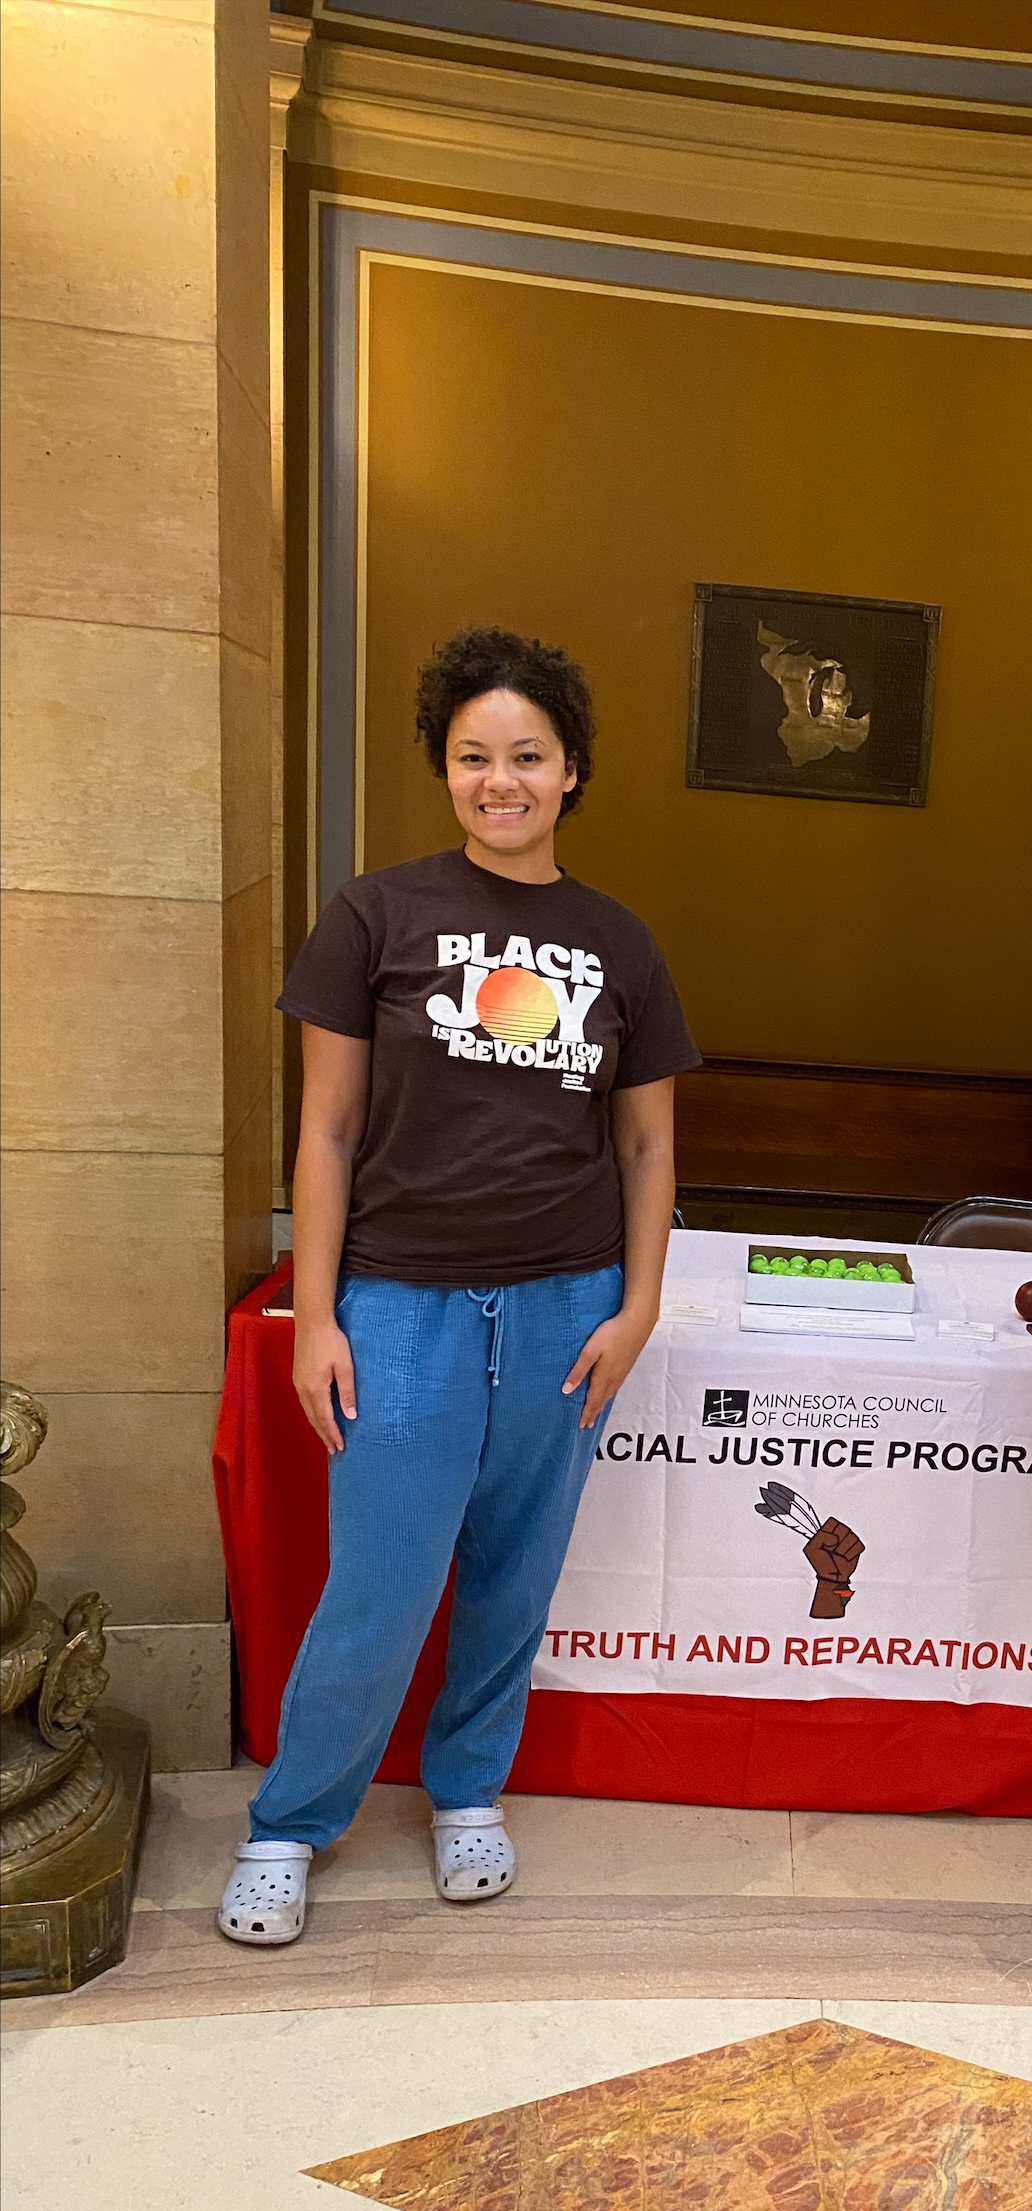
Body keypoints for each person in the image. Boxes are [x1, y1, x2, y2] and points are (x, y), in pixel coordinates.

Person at [218, 627, 700, 1946]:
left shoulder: (619, 941)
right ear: (444, 768)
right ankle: (293, 1820)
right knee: (379, 1574)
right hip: (404, 1303)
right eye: (475, 757)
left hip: (563, 1300)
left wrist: (639, 1304)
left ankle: (469, 1789)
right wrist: (316, 1317)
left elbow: (649, 1142)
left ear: (572, 771)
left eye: (528, 757)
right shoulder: (375, 915)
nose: (503, 780)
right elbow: (323, 1133)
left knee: (514, 1569)